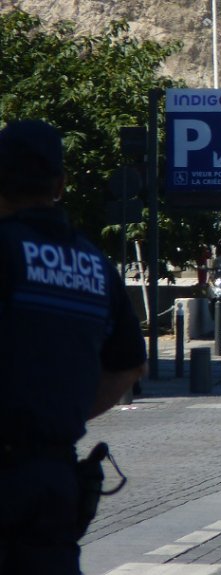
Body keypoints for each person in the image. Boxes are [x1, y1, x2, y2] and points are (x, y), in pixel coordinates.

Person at [0, 120, 147, 573]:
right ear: (61, 183)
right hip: (55, 475)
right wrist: (59, 411)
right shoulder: (94, 264)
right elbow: (129, 366)